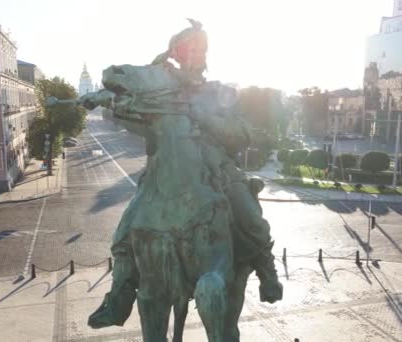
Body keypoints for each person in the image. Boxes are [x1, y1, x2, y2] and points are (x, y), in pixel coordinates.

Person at [86, 19, 282, 329]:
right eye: (193, 48)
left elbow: (242, 133)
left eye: (203, 48)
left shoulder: (216, 92)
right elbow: (138, 120)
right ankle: (119, 299)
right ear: (179, 53)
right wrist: (106, 103)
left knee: (251, 217)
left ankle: (268, 273)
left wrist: (205, 117)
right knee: (123, 233)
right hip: (161, 174)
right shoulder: (164, 92)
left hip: (217, 169)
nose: (200, 54)